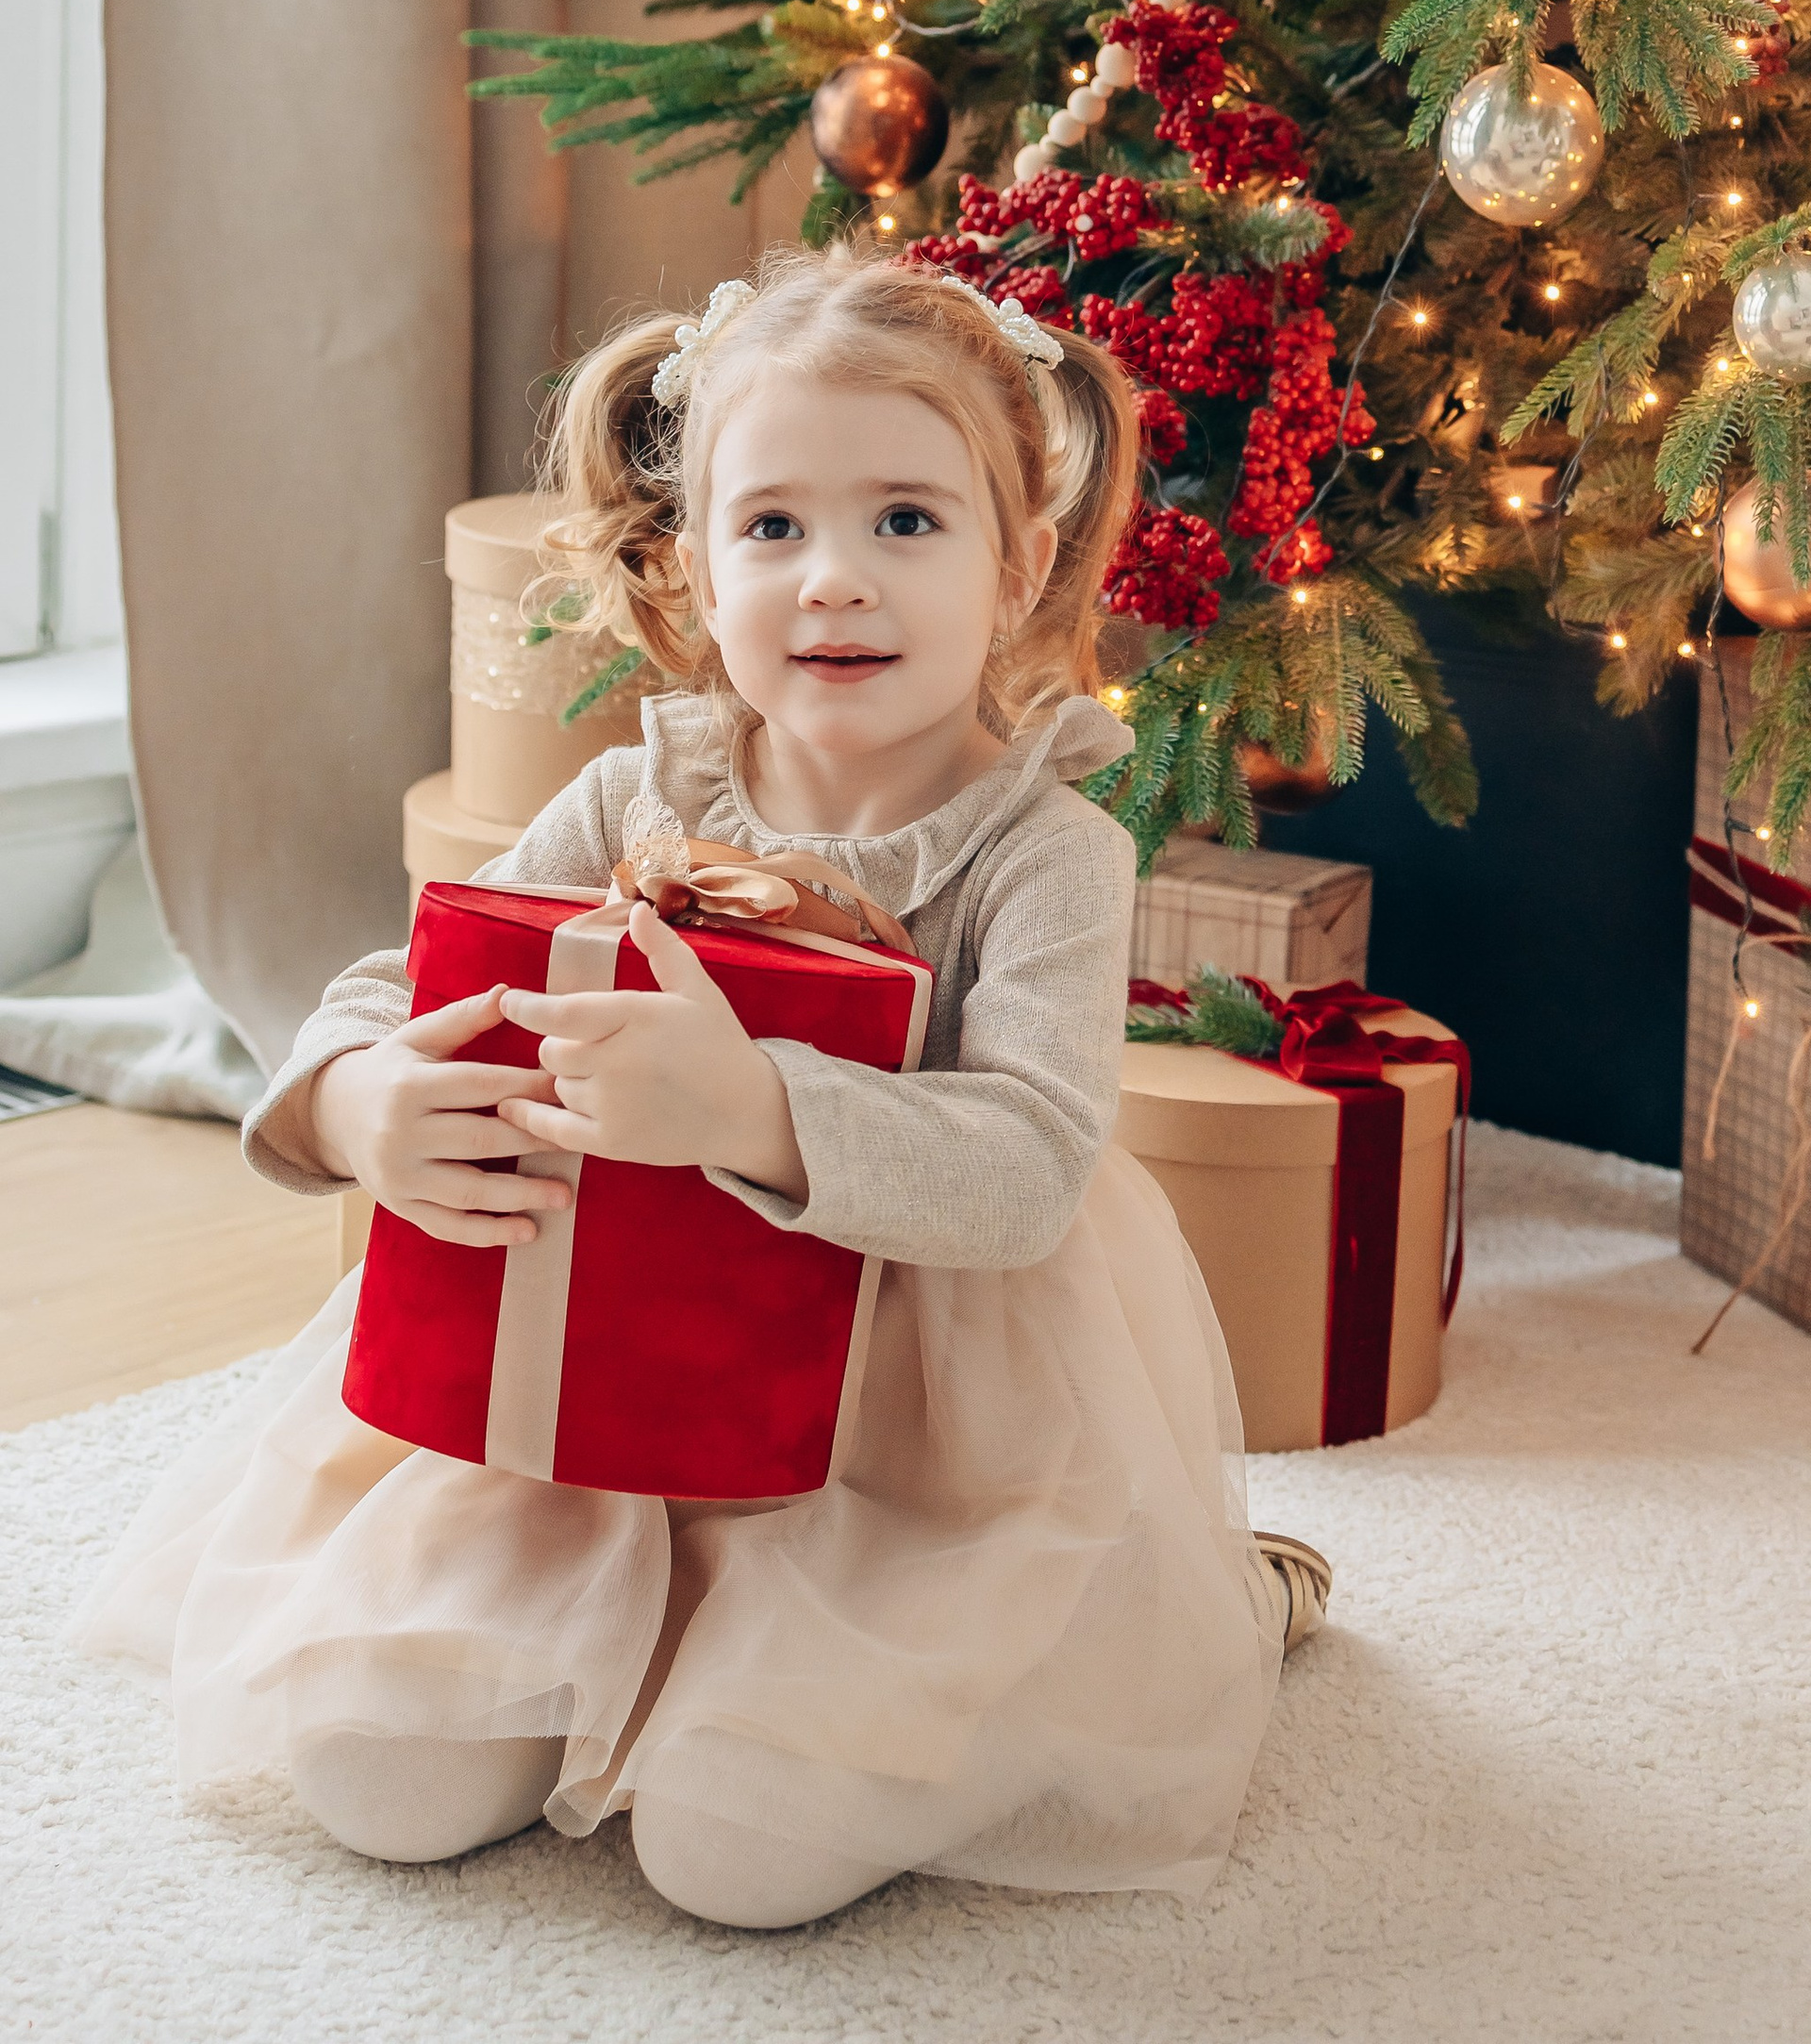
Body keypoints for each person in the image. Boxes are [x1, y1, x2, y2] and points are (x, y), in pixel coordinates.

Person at [84, 248, 1325, 1926]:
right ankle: (607, 1628)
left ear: (1020, 564)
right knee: (379, 1780)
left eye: (906, 521)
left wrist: (752, 1109)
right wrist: (355, 1098)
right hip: (592, 1390)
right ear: (690, 566)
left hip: (908, 1433)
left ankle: (1216, 1593)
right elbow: (406, 978)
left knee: (736, 1863)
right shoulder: (632, 797)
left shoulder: (1050, 854)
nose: (834, 582)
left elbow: (1028, 1164)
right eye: (772, 529)